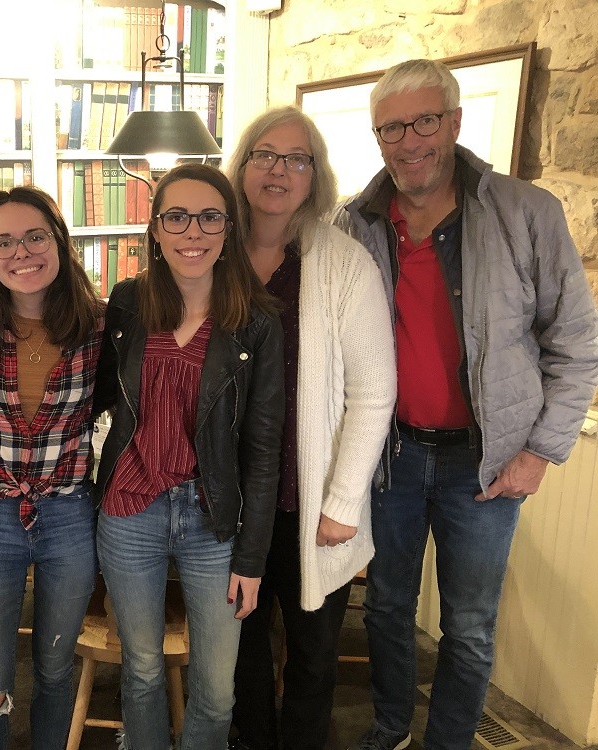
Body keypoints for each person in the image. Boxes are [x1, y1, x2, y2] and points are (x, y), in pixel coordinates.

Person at [337, 59, 598, 750]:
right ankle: (391, 727)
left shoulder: (525, 213)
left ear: (454, 123)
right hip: (390, 454)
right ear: (378, 137)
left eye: (424, 120)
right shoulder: (354, 224)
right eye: (391, 127)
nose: (409, 140)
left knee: (470, 625)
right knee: (387, 608)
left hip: (485, 462)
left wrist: (542, 451)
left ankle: (448, 742)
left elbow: (575, 343)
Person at [94, 162, 285, 750]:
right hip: (130, 510)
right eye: (176, 216)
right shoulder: (126, 305)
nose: (192, 231)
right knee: (144, 669)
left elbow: (263, 448)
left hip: (212, 519)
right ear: (155, 229)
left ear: (228, 230)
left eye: (209, 218)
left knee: (217, 686)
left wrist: (252, 558)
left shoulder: (256, 323)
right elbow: (92, 392)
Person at [225, 106, 396, 749]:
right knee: (238, 654)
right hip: (232, 501)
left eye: (298, 159)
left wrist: (344, 501)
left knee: (313, 657)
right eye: (266, 154)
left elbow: (374, 395)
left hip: (312, 504)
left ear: (315, 176)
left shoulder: (343, 262)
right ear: (242, 165)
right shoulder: (210, 251)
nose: (279, 170)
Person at [0, 186, 104, 749]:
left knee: (55, 668)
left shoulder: (98, 325)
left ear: (60, 243)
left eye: (35, 236)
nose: (22, 252)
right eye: (4, 242)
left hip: (69, 513)